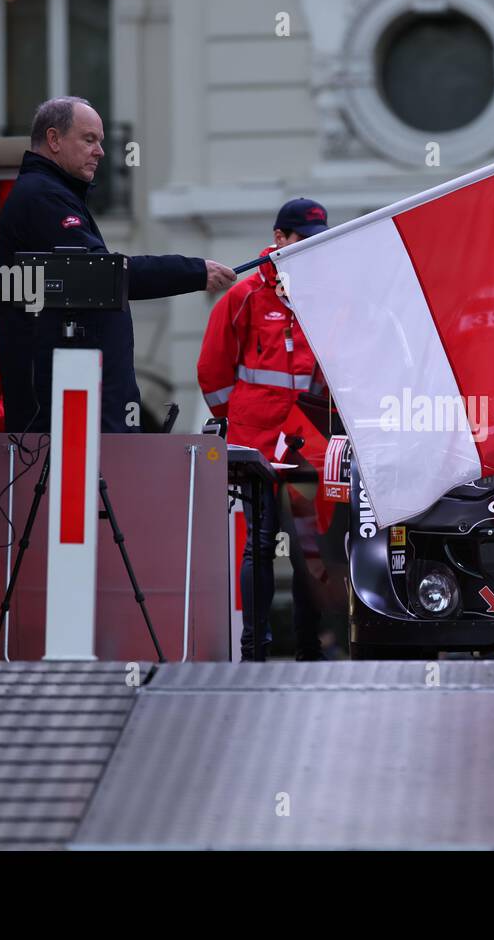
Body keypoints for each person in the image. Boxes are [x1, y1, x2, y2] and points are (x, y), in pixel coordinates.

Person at [0, 96, 236, 434]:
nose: (101, 151)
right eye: (89, 139)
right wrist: (194, 271)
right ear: (54, 139)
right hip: (63, 422)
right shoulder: (43, 197)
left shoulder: (52, 193)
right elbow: (102, 275)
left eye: (101, 141)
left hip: (69, 415)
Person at [197, 199, 330, 661]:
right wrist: (238, 424)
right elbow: (212, 371)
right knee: (259, 546)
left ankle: (309, 651)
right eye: (302, 241)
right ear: (280, 240)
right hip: (256, 449)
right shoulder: (244, 296)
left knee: (307, 553)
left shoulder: (326, 300)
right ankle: (254, 649)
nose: (311, 251)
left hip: (306, 450)